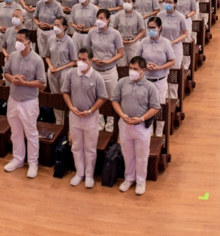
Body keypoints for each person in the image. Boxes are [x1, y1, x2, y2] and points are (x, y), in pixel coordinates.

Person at [112, 56, 161, 196]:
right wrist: (122, 114)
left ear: (143, 70)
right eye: (130, 68)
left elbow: (155, 107)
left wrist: (140, 119)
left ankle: (140, 182)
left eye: (135, 69)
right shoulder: (122, 82)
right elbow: (115, 100)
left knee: (141, 155)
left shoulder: (150, 87)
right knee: (127, 154)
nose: (132, 71)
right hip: (125, 124)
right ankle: (129, 178)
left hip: (141, 127)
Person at [61, 47, 107, 188]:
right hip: (74, 116)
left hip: (90, 118)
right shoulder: (71, 74)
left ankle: (89, 174)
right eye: (79, 59)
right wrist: (71, 107)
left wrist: (90, 110)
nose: (80, 62)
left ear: (91, 61)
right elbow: (65, 92)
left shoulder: (97, 77)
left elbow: (103, 97)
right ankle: (79, 172)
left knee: (90, 147)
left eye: (84, 59)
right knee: (76, 146)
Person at [4, 29, 47, 178]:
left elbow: (42, 82)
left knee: (31, 133)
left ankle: (33, 162)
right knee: (15, 132)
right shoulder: (13, 56)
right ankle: (18, 159)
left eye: (21, 40)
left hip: (28, 102)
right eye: (17, 40)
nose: (18, 43)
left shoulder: (37, 60)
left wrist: (25, 83)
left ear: (28, 42)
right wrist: (13, 79)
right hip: (13, 99)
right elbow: (6, 73)